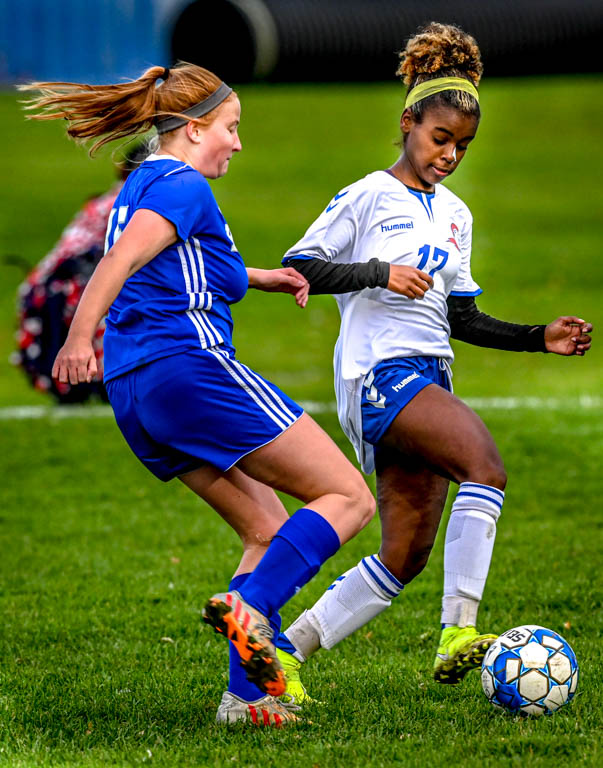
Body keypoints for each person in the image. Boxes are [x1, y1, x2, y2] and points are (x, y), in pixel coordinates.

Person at [20, 62, 376, 727]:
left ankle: (244, 700)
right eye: (230, 128)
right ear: (190, 129)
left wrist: (262, 278)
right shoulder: (181, 183)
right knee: (348, 496)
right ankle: (251, 611)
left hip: (137, 392)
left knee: (266, 529)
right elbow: (120, 259)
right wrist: (75, 339)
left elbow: (175, 261)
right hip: (187, 369)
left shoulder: (146, 182)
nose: (237, 143)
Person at [274, 22, 593, 704]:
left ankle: (284, 649)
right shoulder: (366, 195)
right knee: (485, 468)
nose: (449, 155)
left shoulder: (456, 216)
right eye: (438, 139)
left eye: (461, 146)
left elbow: (462, 318)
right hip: (381, 374)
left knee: (403, 557)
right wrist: (378, 272)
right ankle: (458, 632)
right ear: (407, 123)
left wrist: (539, 337)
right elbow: (300, 264)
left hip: (428, 379)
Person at [14, 145, 147, 403]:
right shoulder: (132, 202)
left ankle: (87, 382)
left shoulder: (104, 199)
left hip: (46, 284)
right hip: (71, 282)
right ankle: (106, 380)